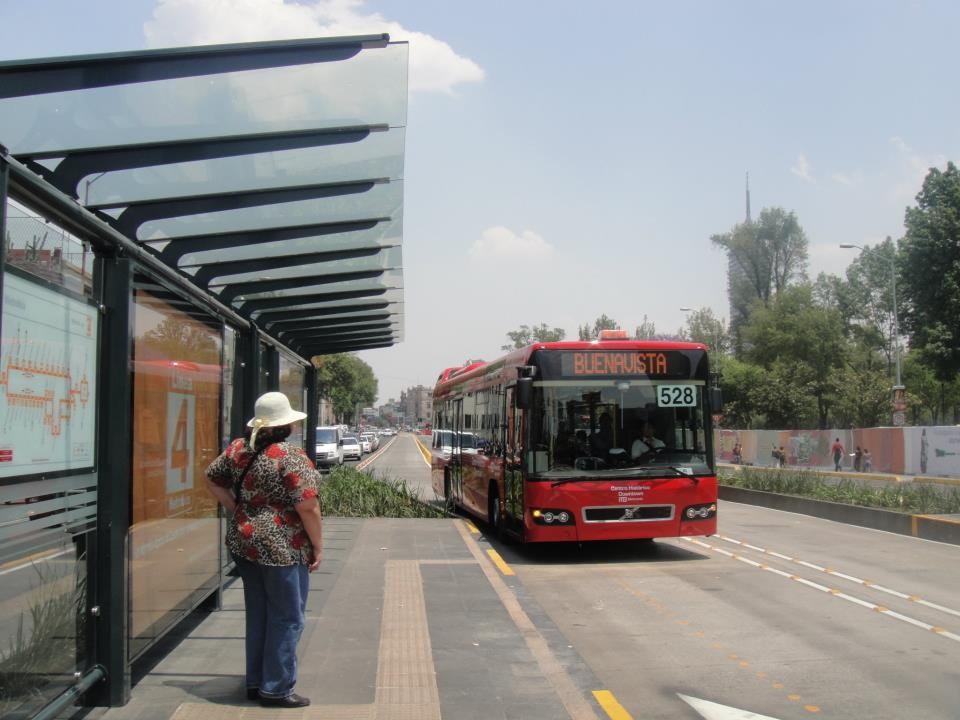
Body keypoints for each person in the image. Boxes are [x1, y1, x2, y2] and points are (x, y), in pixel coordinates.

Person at [205, 392, 323, 709]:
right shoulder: (291, 456)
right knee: (287, 617)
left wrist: (237, 509)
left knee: (258, 614)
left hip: (244, 542)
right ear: (287, 425)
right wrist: (318, 545)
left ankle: (256, 682)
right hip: (283, 547)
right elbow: (308, 507)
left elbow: (212, 479)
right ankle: (277, 688)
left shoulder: (237, 449)